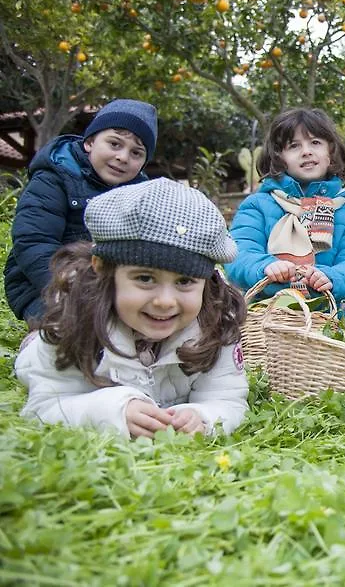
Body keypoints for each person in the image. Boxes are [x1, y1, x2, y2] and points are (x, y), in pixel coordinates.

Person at [15, 178, 249, 438]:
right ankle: (31, 343)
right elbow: (45, 405)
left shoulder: (217, 323)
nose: (165, 301)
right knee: (31, 357)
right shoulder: (73, 320)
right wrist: (111, 411)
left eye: (184, 282)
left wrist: (203, 417)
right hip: (52, 348)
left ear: (206, 283)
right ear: (102, 267)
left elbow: (227, 399)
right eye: (145, 279)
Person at [4, 99, 158, 324]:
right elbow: (33, 240)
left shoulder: (139, 193)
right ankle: (38, 345)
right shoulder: (54, 177)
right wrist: (64, 287)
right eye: (115, 144)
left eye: (136, 153)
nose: (123, 157)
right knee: (72, 330)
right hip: (43, 281)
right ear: (90, 142)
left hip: (105, 284)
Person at [225, 108, 345, 303]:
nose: (307, 151)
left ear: (331, 153)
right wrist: (265, 267)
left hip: (328, 321)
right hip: (263, 317)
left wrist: (331, 278)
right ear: (279, 157)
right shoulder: (256, 206)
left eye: (316, 142)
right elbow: (238, 253)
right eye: (294, 146)